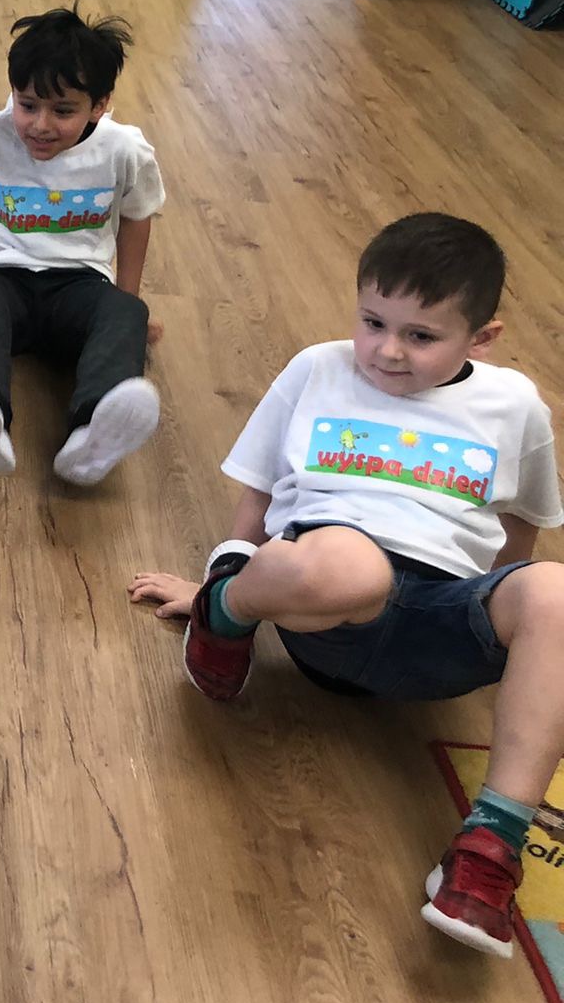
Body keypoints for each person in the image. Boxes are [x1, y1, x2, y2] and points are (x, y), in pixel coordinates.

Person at [131, 215, 564, 962]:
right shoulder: (319, 369)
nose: (388, 350)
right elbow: (260, 486)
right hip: (329, 606)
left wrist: (524, 642)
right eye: (372, 322)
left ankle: (489, 848)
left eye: (420, 336)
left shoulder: (516, 404)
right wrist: (225, 575)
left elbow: (523, 521)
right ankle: (223, 613)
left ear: (482, 338)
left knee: (555, 591)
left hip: (441, 621)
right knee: (352, 565)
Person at [0, 5, 164, 485]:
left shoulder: (125, 150)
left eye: (63, 111)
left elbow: (136, 217)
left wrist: (127, 302)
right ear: (13, 92)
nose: (40, 124)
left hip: (80, 283)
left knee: (126, 312)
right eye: (28, 105)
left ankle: (92, 434)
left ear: (99, 105)